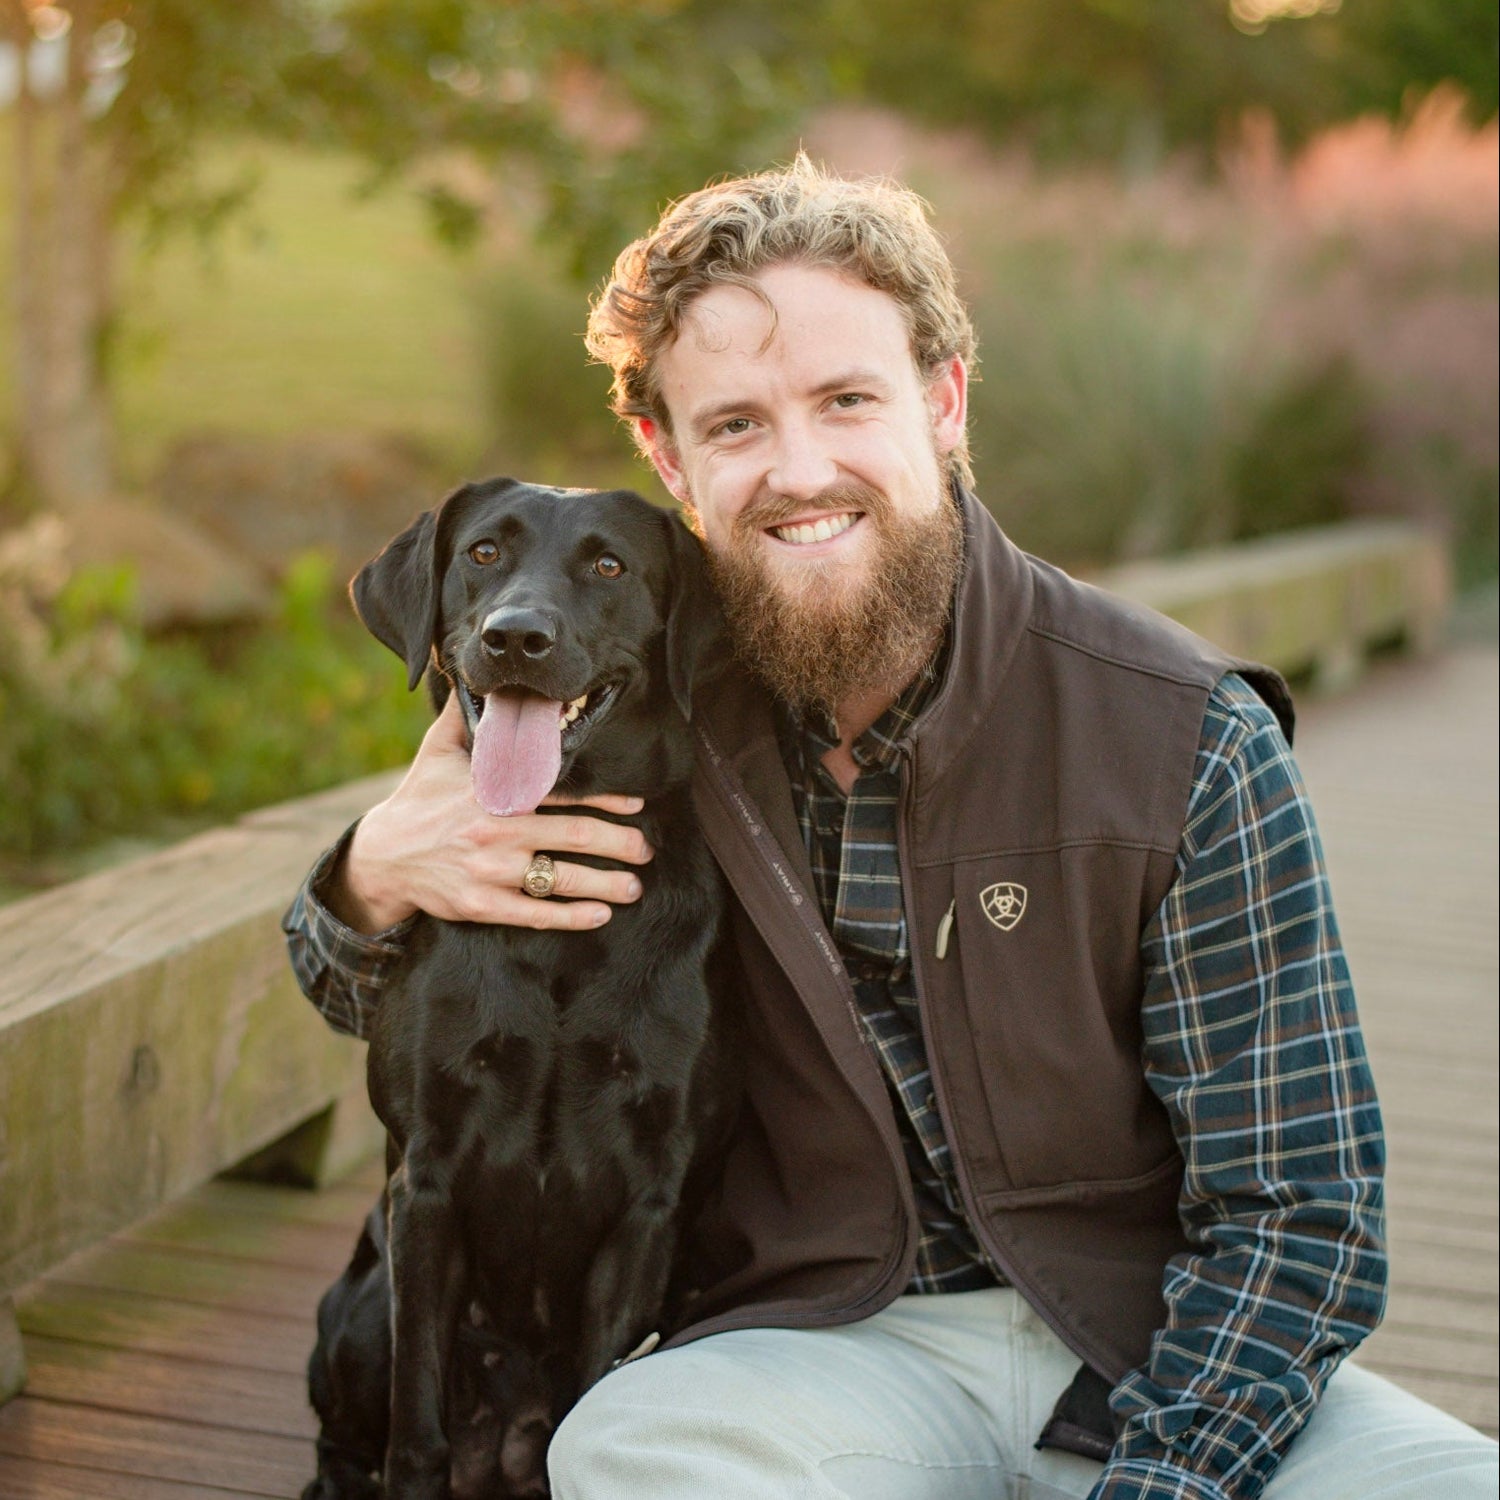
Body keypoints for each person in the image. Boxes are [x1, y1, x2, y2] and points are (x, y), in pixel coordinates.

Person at [284, 158, 1498, 1499]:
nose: (801, 470)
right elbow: (415, 1009)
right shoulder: (645, 711)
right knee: (629, 1457)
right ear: (669, 457)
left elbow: (1300, 1214)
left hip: (1156, 1342)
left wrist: (1167, 1476)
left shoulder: (1184, 737)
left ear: (943, 399)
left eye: (847, 401)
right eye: (736, 424)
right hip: (829, 1351)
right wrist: (363, 881)